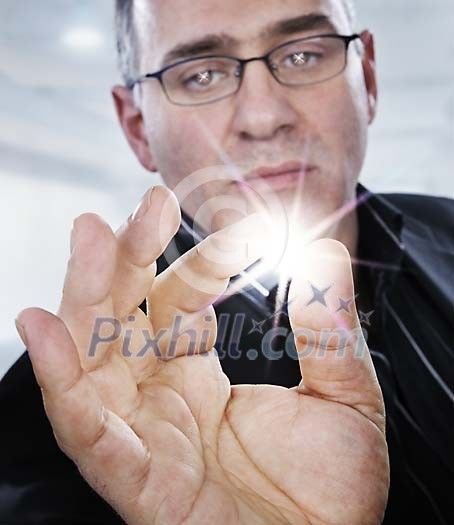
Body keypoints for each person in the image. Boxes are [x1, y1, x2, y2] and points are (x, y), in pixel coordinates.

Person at [1, 0, 452, 523]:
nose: (265, 118)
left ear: (367, 77)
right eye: (202, 74)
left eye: (304, 55)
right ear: (137, 126)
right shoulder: (68, 414)